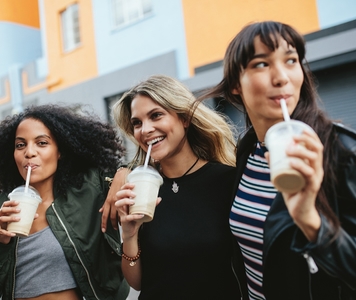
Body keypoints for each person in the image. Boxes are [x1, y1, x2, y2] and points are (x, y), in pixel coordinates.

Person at [199, 21, 356, 299]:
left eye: (291, 60)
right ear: (236, 83)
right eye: (261, 64)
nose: (282, 77)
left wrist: (310, 221)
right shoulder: (248, 148)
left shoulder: (340, 152)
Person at [111, 74, 242, 299]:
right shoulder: (139, 189)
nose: (146, 129)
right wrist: (130, 235)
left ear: (184, 118)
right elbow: (138, 283)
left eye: (156, 115)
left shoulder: (228, 181)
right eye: (137, 123)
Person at [0, 104, 130, 300]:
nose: (29, 152)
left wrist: (124, 171)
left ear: (60, 151)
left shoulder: (89, 191)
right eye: (20, 145)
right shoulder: (4, 207)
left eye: (41, 143)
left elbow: (153, 163)